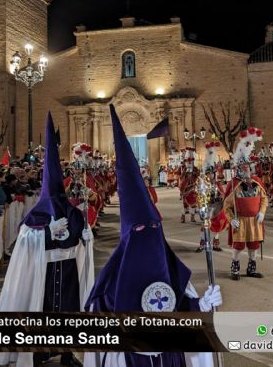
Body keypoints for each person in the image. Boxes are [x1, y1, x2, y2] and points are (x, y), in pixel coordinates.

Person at [83, 104, 221, 367]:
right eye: (140, 231)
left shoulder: (170, 269)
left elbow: (183, 306)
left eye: (154, 229)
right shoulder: (110, 284)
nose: (149, 234)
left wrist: (201, 305)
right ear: (127, 237)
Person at [0, 113, 94, 367]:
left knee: (67, 311)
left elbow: (79, 239)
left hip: (67, 270)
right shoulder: (38, 213)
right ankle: (39, 351)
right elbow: (24, 240)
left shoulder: (73, 212)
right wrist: (46, 232)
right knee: (41, 310)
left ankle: (67, 353)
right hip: (41, 270)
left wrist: (87, 239)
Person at [223, 127, 267, 280]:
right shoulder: (233, 184)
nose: (247, 169)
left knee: (254, 245)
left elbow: (264, 199)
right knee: (239, 245)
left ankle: (251, 268)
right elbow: (226, 206)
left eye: (248, 167)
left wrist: (262, 212)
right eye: (243, 167)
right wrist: (231, 219)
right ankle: (235, 267)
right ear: (238, 168)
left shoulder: (257, 181)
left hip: (255, 220)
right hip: (240, 220)